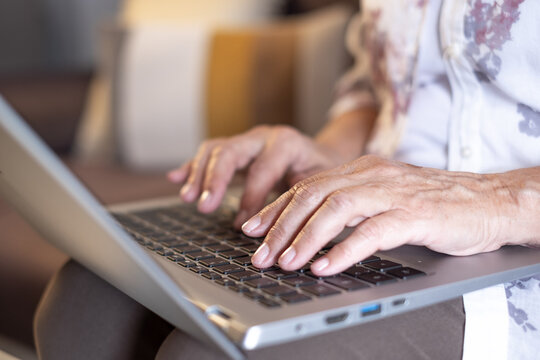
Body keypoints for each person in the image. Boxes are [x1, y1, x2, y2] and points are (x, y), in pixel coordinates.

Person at [35, 0, 540, 359]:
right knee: (85, 303)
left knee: (210, 353)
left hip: (520, 256)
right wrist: (329, 153)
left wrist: (495, 198)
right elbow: (374, 86)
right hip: (374, 224)